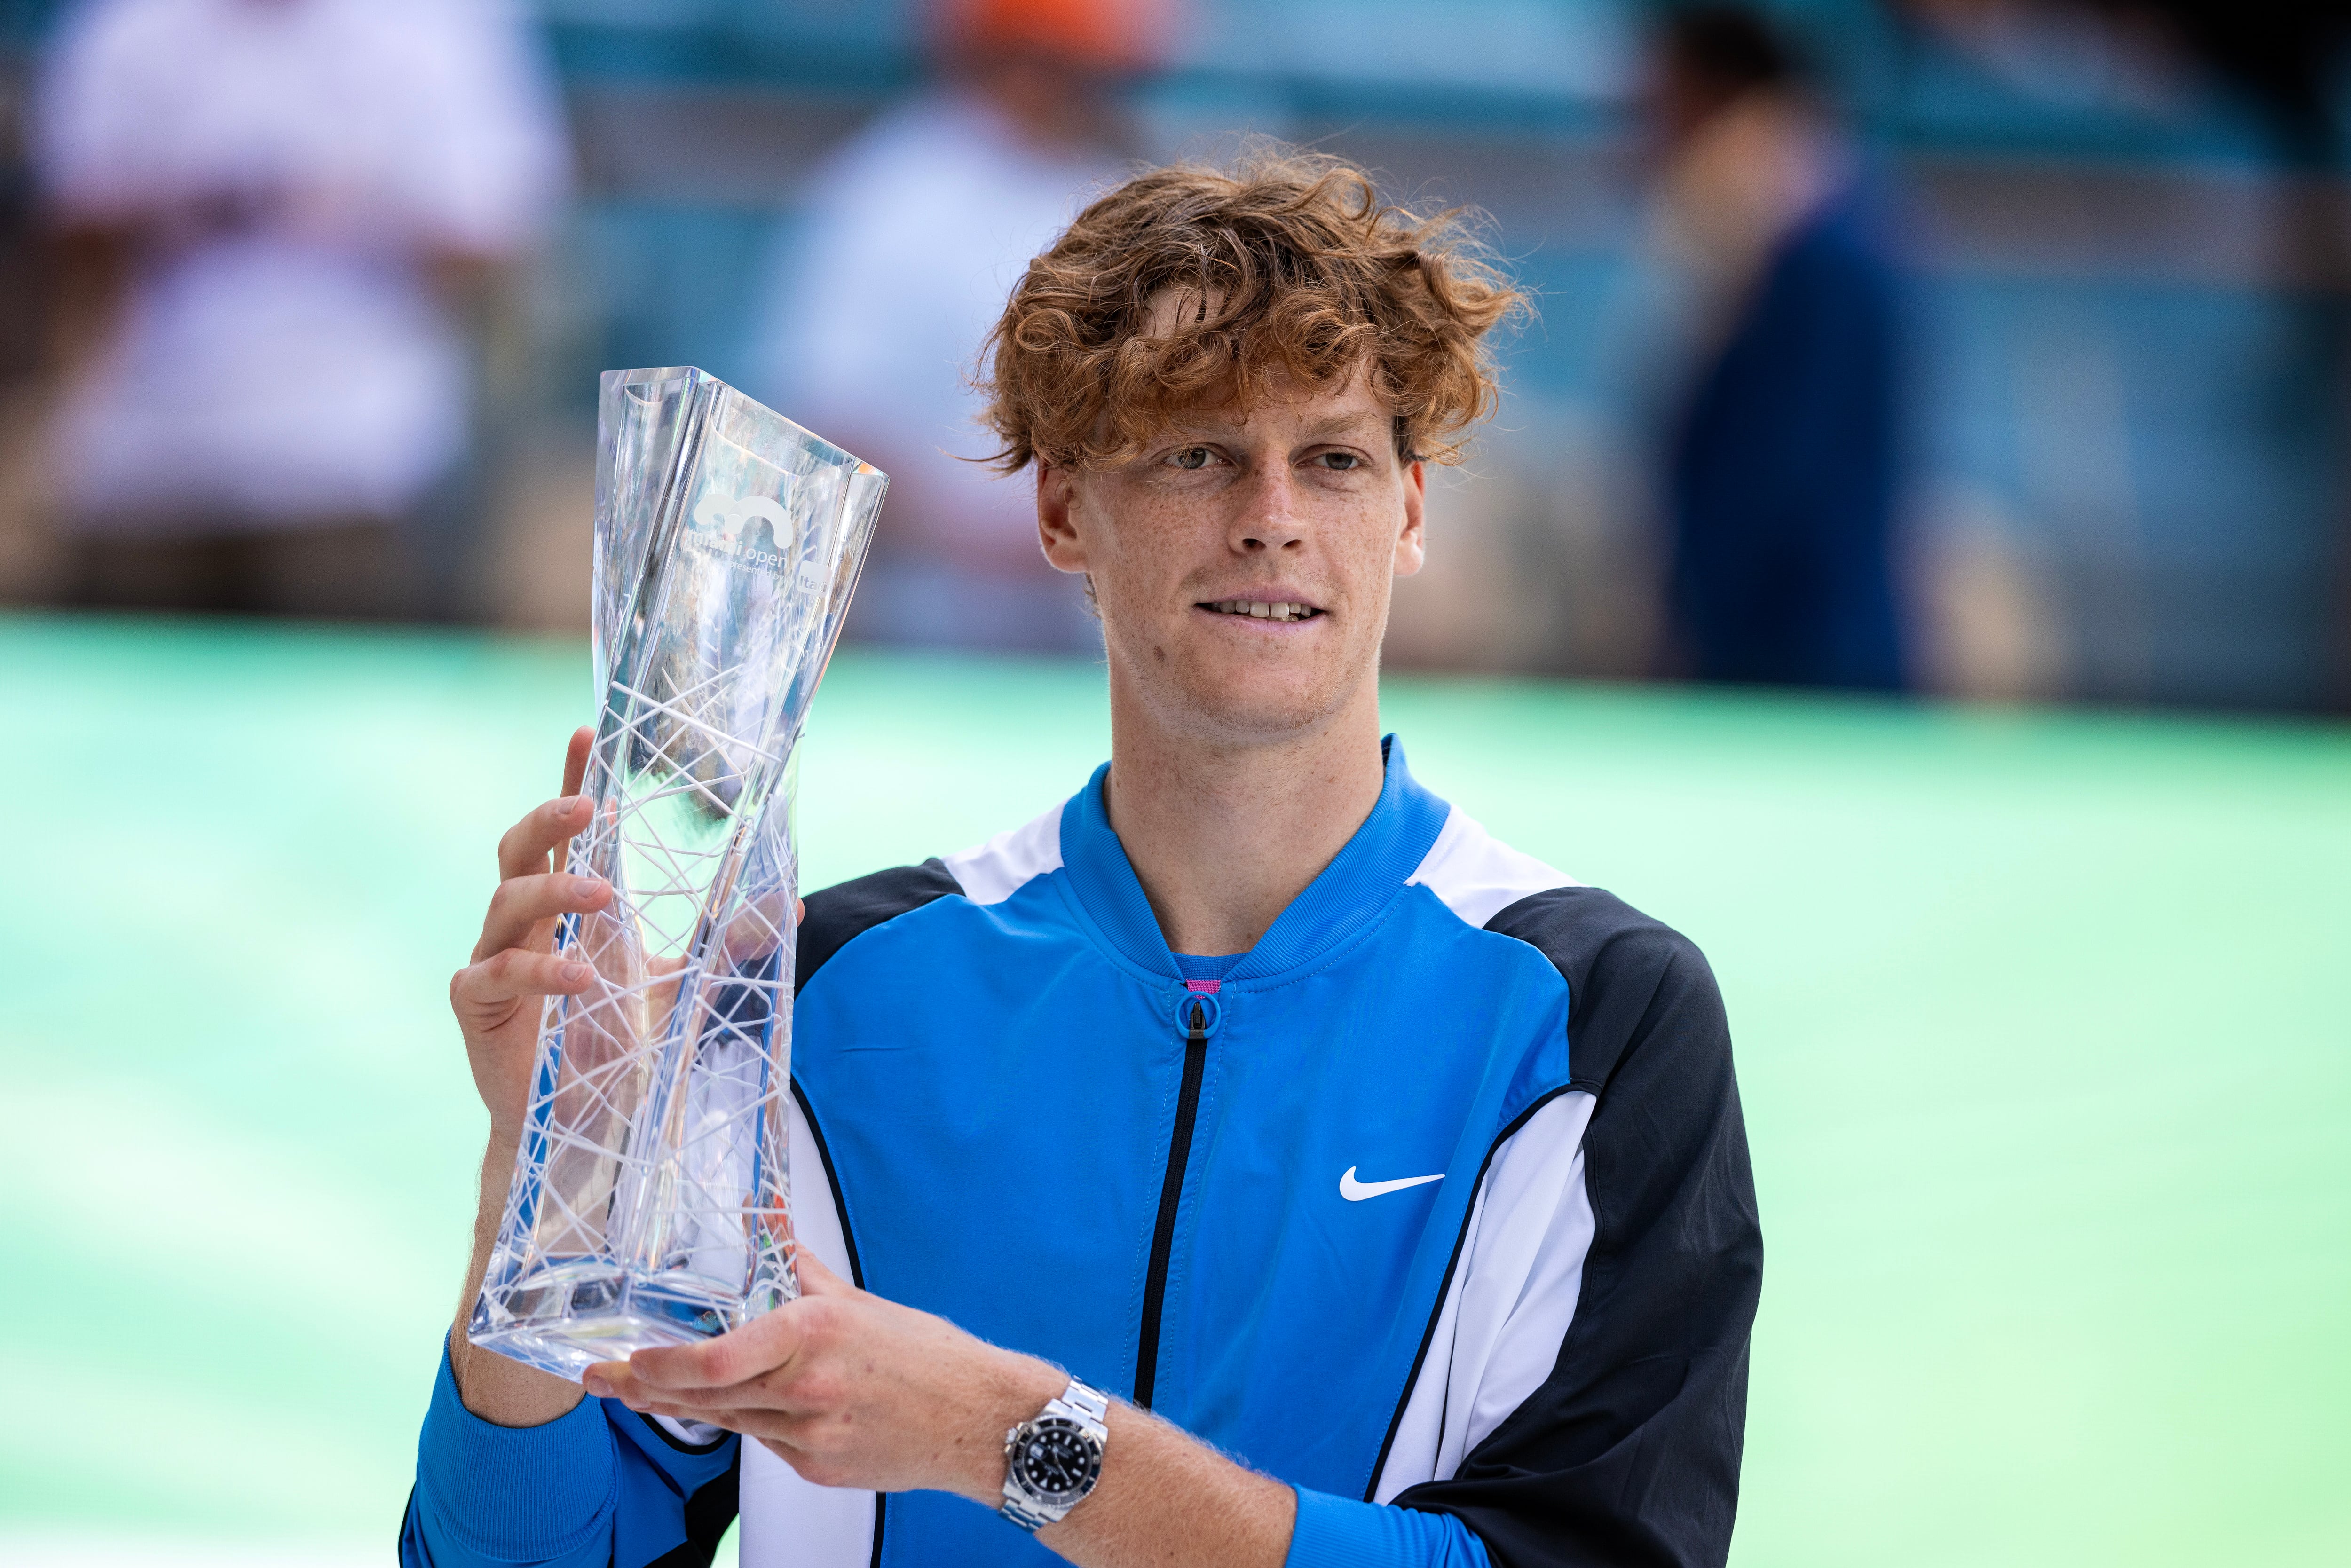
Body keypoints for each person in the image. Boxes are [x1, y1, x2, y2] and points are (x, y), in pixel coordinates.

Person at [409, 150, 1762, 1568]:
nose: (1273, 516)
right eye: (1198, 452)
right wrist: (549, 1176)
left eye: (1337, 459)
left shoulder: (1590, 1021)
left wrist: (1004, 1436)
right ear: (1061, 511)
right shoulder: (815, 994)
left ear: (1410, 512)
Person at [31, 0, 567, 619]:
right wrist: (194, 205)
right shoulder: (127, 24)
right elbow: (62, 222)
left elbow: (504, 232)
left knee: (349, 707)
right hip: (147, 462)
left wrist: (351, 207)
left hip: (350, 461)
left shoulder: (443, 24)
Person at [749, 0, 1166, 654]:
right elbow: (821, 423)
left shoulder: (1120, 193)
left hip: (1088, 631)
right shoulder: (891, 190)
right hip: (912, 625)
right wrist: (975, 532)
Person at [1647, 4, 1911, 690]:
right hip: (1782, 651)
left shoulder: (1822, 263)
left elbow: (1788, 482)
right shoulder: (1809, 246)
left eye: (1666, 101)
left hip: (1801, 662)